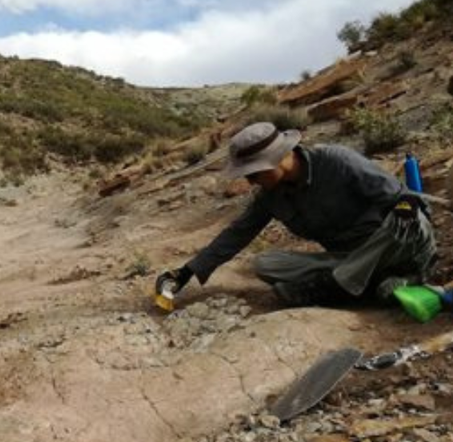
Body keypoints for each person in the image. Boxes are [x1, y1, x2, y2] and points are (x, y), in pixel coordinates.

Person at [156, 121, 437, 307]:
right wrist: (187, 271)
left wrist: (404, 205)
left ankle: (345, 286)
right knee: (266, 264)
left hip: (395, 247)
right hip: (349, 258)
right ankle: (366, 285)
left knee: (406, 220)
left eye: (254, 173)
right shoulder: (270, 196)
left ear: (276, 159)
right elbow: (236, 234)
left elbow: (405, 198)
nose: (251, 181)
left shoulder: (336, 160)